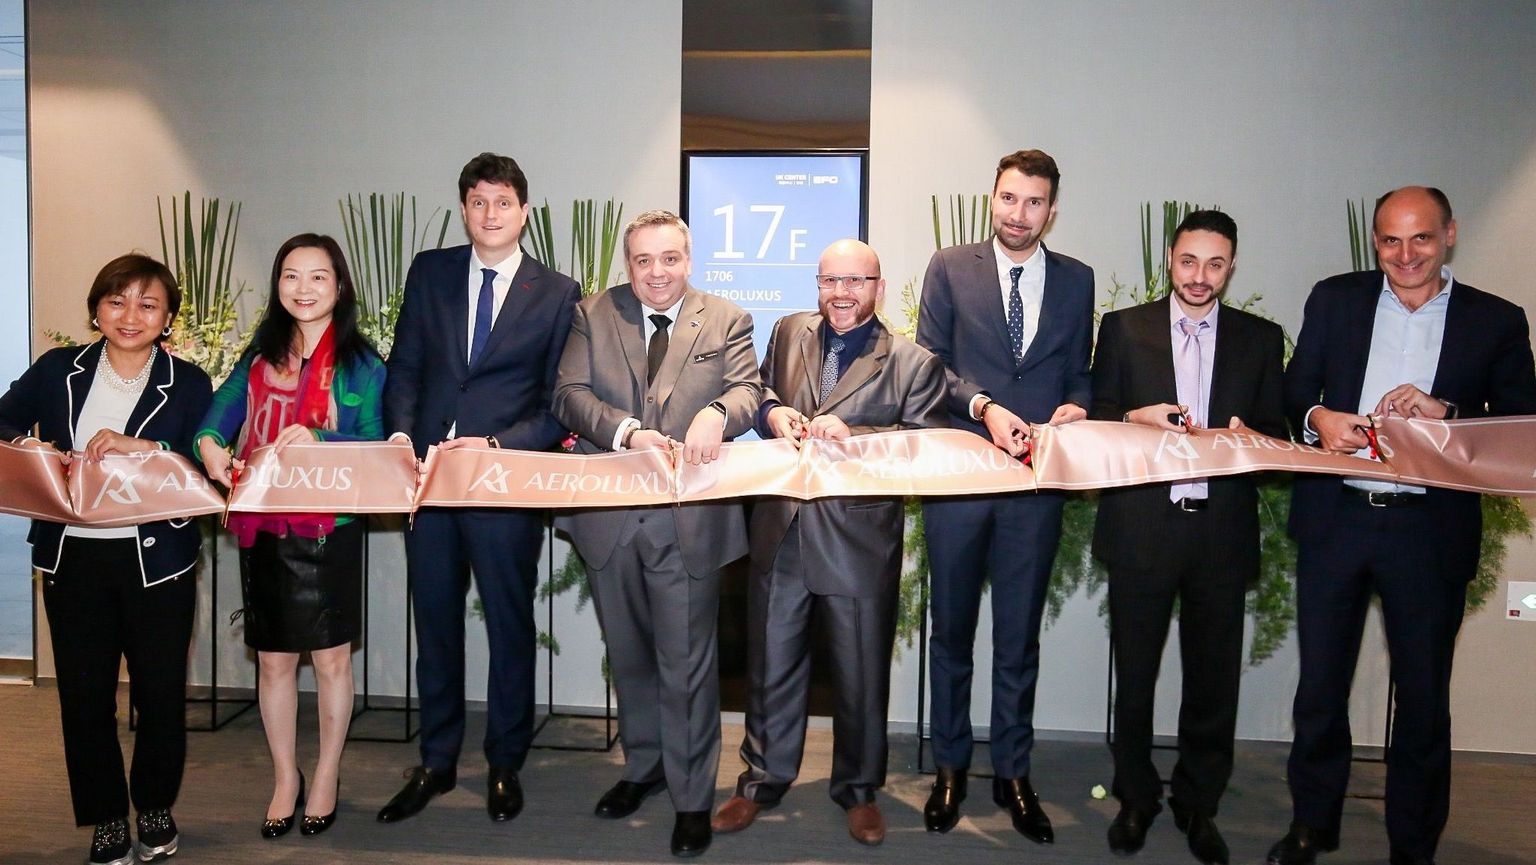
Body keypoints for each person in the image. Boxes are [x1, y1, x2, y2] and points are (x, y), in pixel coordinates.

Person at [1271, 187, 1536, 865]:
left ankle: (1413, 845)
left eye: (1421, 238)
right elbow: (1294, 389)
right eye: (1391, 239)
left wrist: (1447, 413)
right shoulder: (1335, 299)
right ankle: (1313, 823)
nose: (1405, 254)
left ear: (1450, 235)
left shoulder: (1496, 320)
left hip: (1429, 530)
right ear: (1376, 242)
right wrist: (1318, 419)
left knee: (1422, 698)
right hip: (1337, 518)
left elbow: (1518, 429)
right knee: (1320, 688)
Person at [711, 239, 946, 846]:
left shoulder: (912, 361)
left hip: (857, 540)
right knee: (770, 665)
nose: (840, 293)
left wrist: (857, 433)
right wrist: (773, 415)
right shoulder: (789, 331)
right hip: (781, 529)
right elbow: (762, 391)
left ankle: (859, 791)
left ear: (878, 287)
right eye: (829, 281)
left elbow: (921, 446)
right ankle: (760, 782)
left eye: (855, 281)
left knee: (860, 674)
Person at [378, 152, 580, 824]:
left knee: (509, 623)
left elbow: (558, 403)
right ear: (464, 209)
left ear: (524, 211)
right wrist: (401, 439)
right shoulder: (430, 272)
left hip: (502, 481)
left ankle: (504, 761)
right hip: (429, 480)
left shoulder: (558, 292)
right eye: (477, 201)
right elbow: (405, 366)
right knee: (434, 623)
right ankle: (437, 761)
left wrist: (495, 445)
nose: (490, 213)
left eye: (502, 202)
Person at [553, 209, 761, 858]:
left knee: (686, 664)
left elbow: (749, 392)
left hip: (688, 523)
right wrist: (625, 432)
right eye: (643, 260)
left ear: (688, 260)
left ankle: (692, 797)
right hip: (610, 519)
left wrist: (719, 411)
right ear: (630, 265)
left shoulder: (726, 319)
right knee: (631, 657)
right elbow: (568, 394)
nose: (657, 272)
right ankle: (644, 767)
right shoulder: (593, 314)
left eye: (669, 258)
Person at [0, 254, 212, 865]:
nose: (130, 315)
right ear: (96, 309)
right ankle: (107, 818)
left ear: (167, 318)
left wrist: (147, 446)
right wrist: (33, 447)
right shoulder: (57, 369)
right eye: (116, 301)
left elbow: (205, 460)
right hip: (73, 560)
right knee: (85, 697)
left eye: (148, 304)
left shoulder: (189, 381)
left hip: (158, 561)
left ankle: (155, 806)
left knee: (160, 694)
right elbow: (4, 422)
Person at [1090, 211, 1285, 865]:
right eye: (1189, 261)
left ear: (1231, 267)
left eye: (1215, 264)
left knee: (1213, 682)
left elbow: (1278, 430)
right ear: (1170, 259)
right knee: (1135, 677)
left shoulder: (1261, 339)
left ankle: (1199, 803)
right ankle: (1136, 797)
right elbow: (1095, 417)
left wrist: (1250, 437)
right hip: (1141, 530)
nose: (1200, 276)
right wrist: (1133, 417)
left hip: (1221, 535)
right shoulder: (1123, 327)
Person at [914, 148, 1093, 842]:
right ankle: (950, 769)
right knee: (952, 633)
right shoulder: (949, 267)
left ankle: (1014, 773)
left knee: (1018, 638)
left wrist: (1078, 406)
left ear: (1052, 209)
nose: (1020, 214)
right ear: (992, 199)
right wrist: (984, 405)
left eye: (1034, 202)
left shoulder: (1076, 279)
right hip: (960, 479)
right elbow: (929, 364)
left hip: (1033, 486)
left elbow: (1079, 371)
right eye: (1009, 198)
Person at [195, 233, 385, 839]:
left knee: (331, 659)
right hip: (265, 525)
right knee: (274, 660)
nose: (304, 289)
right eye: (291, 276)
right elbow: (219, 415)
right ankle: (284, 776)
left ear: (340, 286)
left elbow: (379, 446)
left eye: (318, 277)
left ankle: (327, 772)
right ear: (278, 285)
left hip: (330, 528)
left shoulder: (364, 365)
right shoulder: (259, 356)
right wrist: (209, 444)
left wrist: (322, 437)